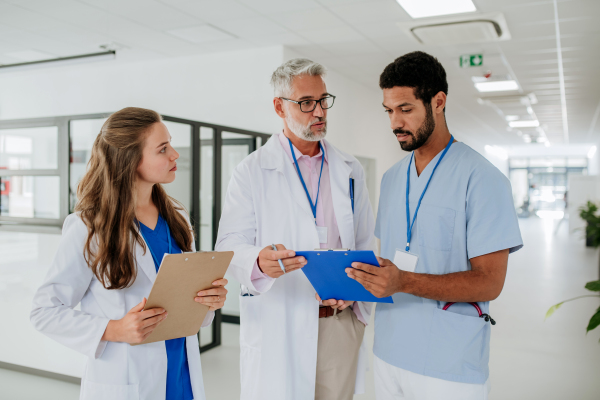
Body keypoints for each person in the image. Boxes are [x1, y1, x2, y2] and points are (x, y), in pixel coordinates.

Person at [346, 52, 523, 400]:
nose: (395, 121)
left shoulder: (484, 179)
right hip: (388, 351)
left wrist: (405, 281)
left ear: (438, 102)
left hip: (450, 362)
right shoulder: (392, 178)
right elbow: (389, 261)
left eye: (406, 108)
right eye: (389, 110)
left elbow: (490, 281)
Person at [30, 107, 228, 400]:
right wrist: (114, 329)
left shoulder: (177, 218)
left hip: (181, 376)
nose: (175, 154)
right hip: (127, 380)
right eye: (163, 149)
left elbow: (186, 307)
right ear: (131, 160)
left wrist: (208, 302)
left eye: (170, 144)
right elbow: (43, 312)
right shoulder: (89, 227)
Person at [215, 58, 375, 400]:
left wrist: (357, 295)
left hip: (338, 320)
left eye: (323, 100)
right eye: (306, 103)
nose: (319, 111)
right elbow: (229, 244)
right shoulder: (252, 171)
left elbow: (363, 238)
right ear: (279, 106)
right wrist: (258, 260)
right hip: (279, 321)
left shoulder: (349, 170)